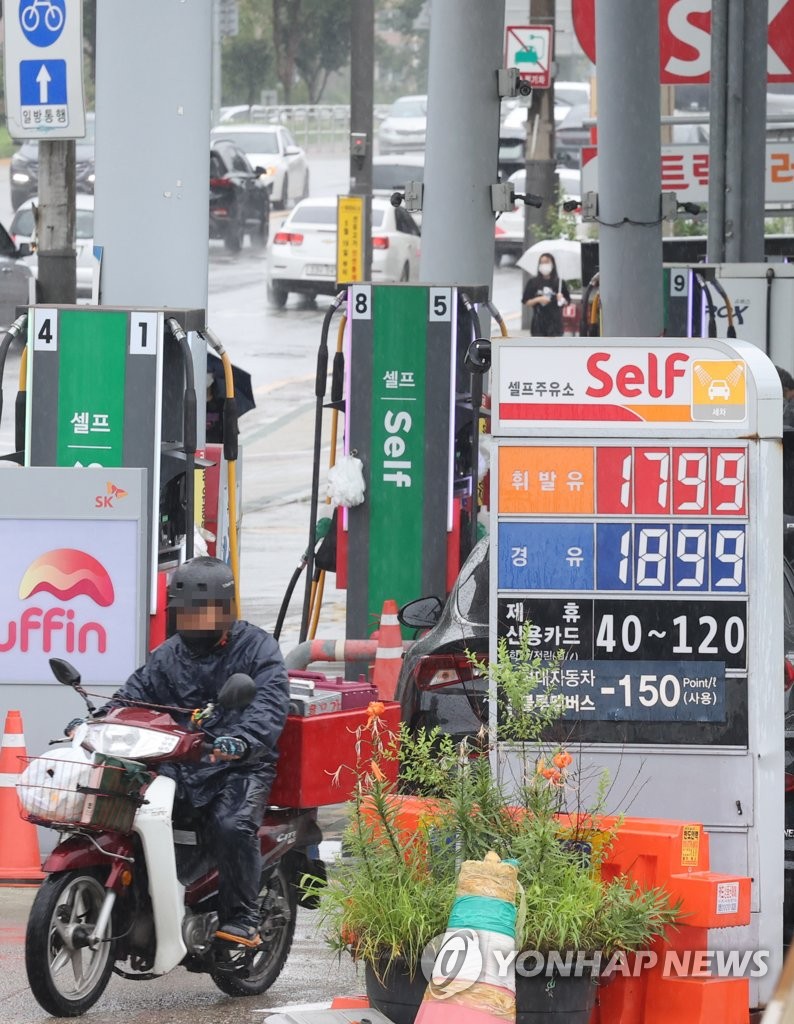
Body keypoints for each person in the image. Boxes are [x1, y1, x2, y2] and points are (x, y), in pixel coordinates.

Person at [67, 556, 289, 947]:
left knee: (230, 825)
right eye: (186, 614)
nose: (195, 622)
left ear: (226, 610)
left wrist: (241, 740)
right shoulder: (168, 655)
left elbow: (270, 705)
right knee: (121, 812)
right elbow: (131, 695)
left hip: (237, 765)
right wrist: (95, 722)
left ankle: (242, 916)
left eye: (203, 613)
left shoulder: (257, 649)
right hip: (177, 763)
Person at [522, 252, 571, 337]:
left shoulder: (559, 283)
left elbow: (567, 302)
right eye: (542, 262)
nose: (544, 265)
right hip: (538, 323)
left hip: (556, 324)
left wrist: (561, 299)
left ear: (552, 264)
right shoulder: (533, 282)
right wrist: (539, 299)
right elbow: (526, 301)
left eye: (547, 262)